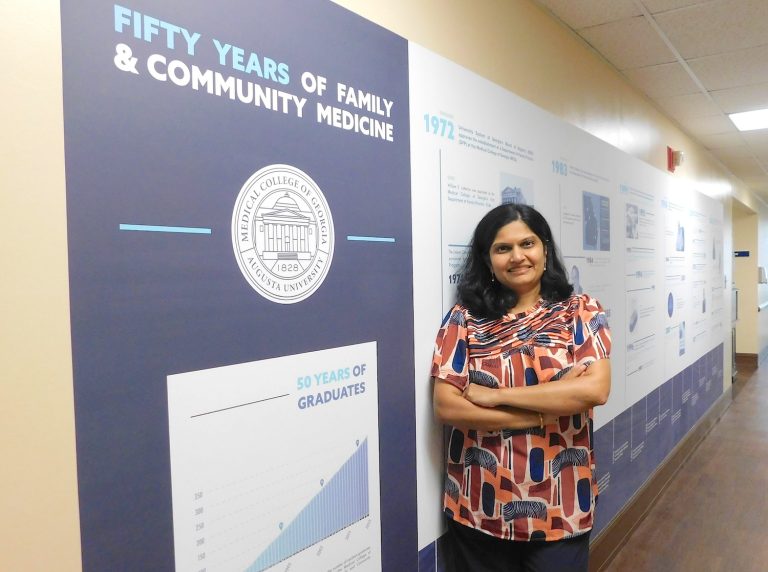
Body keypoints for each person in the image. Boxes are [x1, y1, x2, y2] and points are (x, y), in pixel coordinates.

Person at [432, 204, 611, 572]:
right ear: (487, 259)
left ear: (544, 248)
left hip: (561, 508)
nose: (517, 256)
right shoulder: (464, 319)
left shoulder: (579, 311)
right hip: (479, 506)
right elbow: (447, 407)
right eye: (502, 248)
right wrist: (542, 410)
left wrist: (496, 396)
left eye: (527, 243)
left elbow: (594, 390)